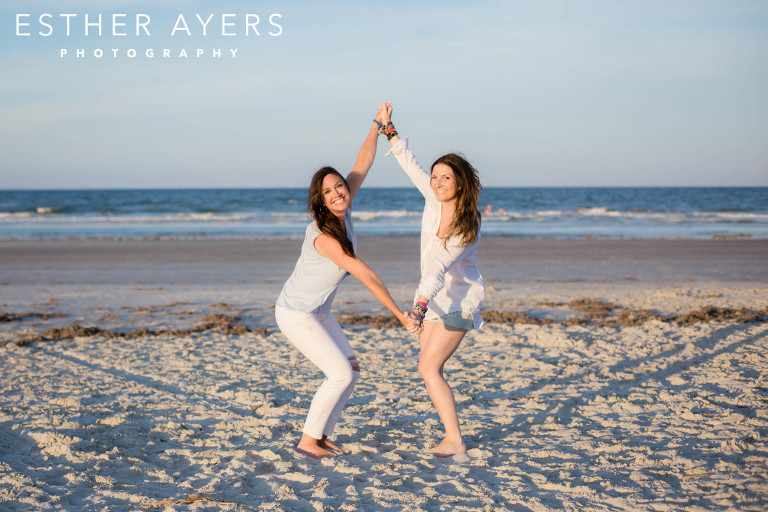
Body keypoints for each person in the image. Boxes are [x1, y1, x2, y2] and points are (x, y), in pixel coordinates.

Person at [275, 109, 419, 459]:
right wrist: (400, 314)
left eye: (339, 185)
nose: (339, 192)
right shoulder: (325, 236)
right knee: (338, 373)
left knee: (351, 372)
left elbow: (362, 164)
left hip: (319, 311)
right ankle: (308, 442)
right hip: (296, 313)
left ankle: (322, 437)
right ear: (320, 200)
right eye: (329, 191)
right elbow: (366, 274)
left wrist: (377, 125)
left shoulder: (343, 206)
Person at [379, 101, 485, 457]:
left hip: (458, 302)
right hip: (434, 301)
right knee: (427, 366)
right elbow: (410, 165)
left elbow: (438, 268)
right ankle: (450, 433)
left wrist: (418, 309)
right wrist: (389, 130)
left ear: (460, 183)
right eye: (436, 176)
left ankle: (455, 439)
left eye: (446, 177)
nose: (437, 182)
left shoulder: (466, 226)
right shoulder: (432, 198)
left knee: (428, 367)